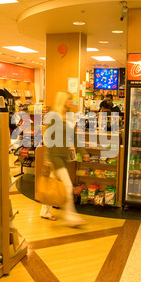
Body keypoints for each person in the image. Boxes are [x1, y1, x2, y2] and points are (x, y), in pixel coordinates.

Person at [41, 91, 90, 227]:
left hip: (63, 157)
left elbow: (74, 137)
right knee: (68, 186)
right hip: (55, 157)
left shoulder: (68, 117)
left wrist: (83, 152)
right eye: (69, 100)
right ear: (63, 101)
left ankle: (44, 211)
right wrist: (47, 158)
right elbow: (48, 138)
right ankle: (70, 217)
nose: (71, 102)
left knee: (52, 185)